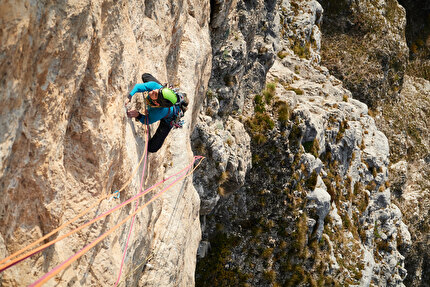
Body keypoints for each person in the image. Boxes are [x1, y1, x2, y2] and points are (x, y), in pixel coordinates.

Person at [125, 73, 188, 153]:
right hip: (162, 97)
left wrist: (138, 115)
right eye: (157, 91)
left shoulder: (158, 112)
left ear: (157, 103)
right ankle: (161, 93)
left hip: (168, 119)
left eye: (155, 94)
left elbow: (148, 120)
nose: (153, 91)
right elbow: (137, 87)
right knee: (145, 76)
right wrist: (129, 97)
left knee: (152, 148)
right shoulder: (155, 87)